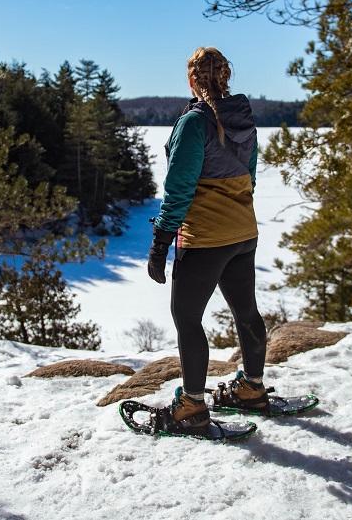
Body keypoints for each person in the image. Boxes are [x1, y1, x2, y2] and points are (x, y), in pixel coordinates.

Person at [146, 46, 268, 434]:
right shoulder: (243, 117)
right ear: (224, 77)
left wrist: (161, 241)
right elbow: (249, 176)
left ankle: (191, 407)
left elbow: (179, 188)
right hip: (243, 233)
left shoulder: (194, 122)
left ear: (192, 79)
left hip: (204, 238)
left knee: (187, 318)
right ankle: (252, 388)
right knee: (246, 312)